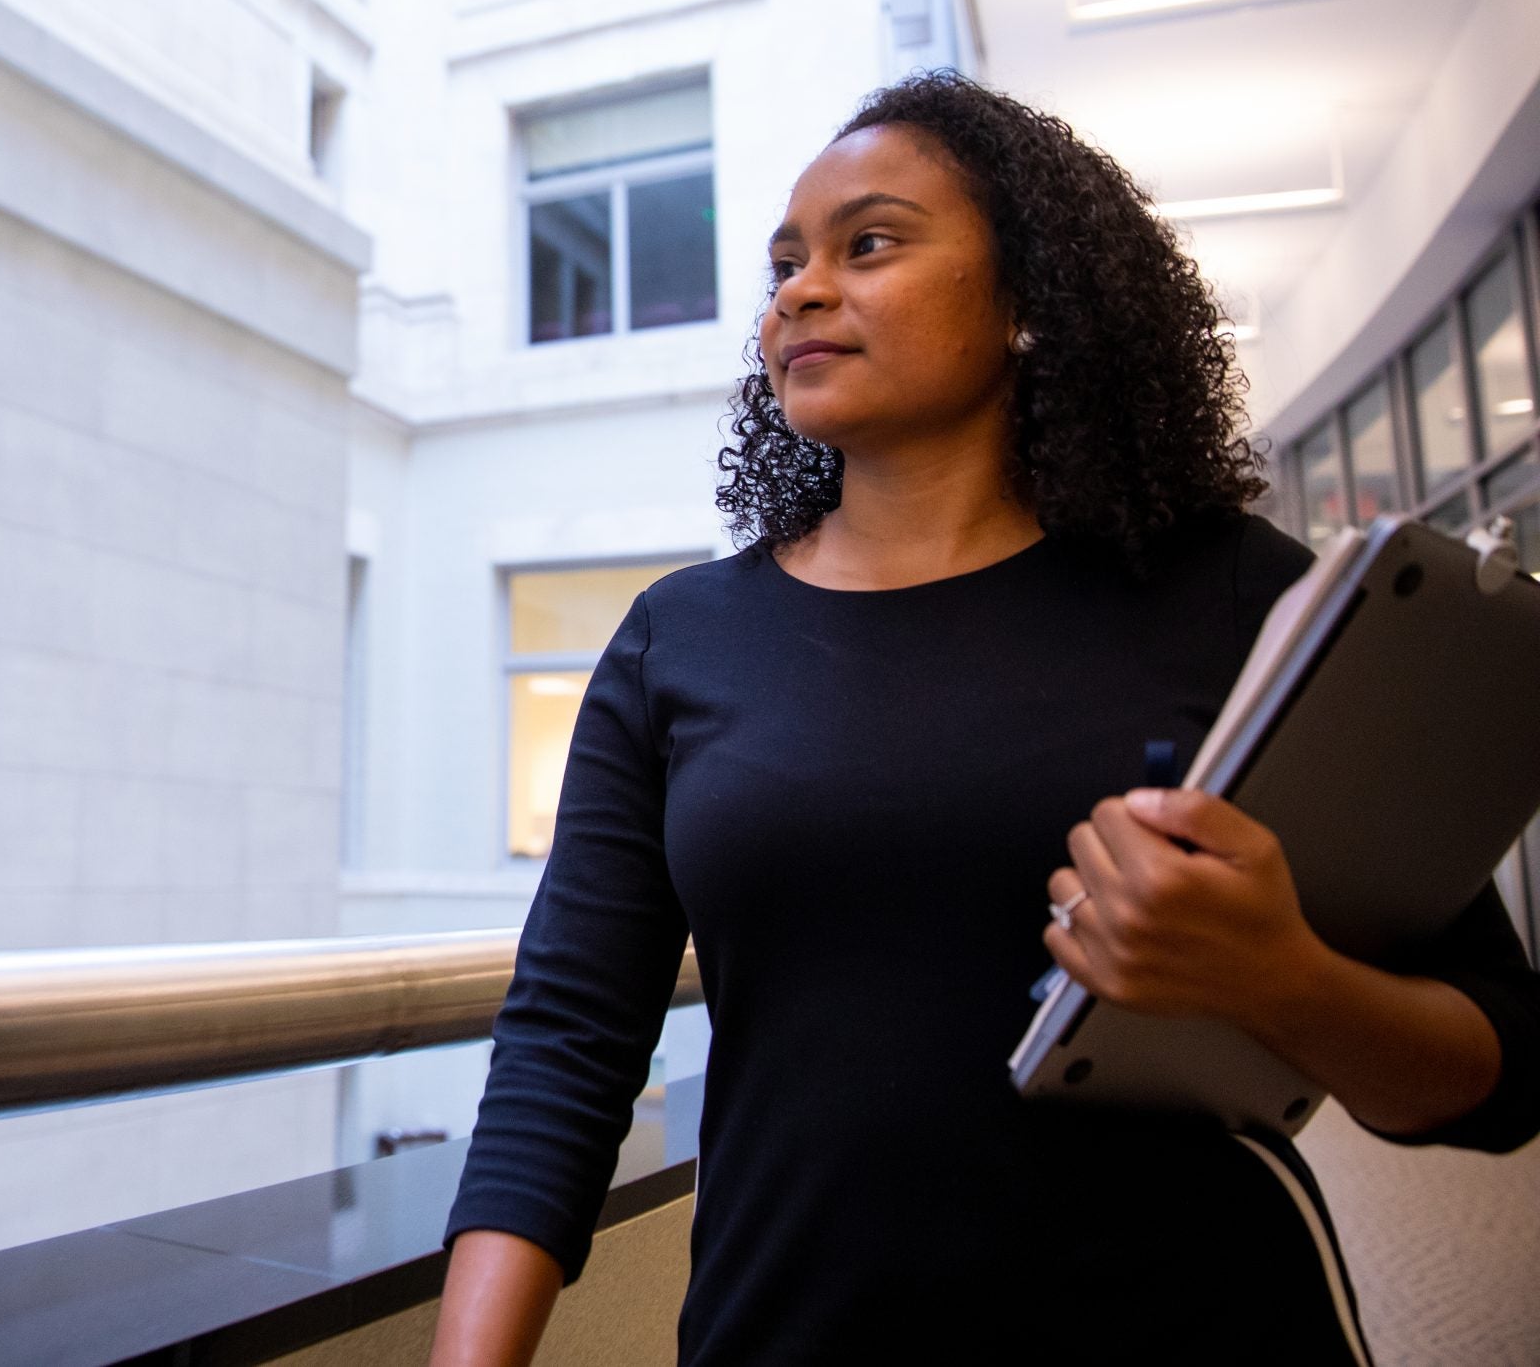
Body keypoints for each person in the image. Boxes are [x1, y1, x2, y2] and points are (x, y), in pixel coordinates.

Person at [428, 73, 1540, 1366]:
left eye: (870, 244)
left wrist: (1283, 980)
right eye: (787, 262)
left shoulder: (1226, 589)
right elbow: (567, 1045)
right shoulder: (682, 639)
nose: (797, 289)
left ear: (1027, 301)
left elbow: (1503, 1067)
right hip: (788, 1336)